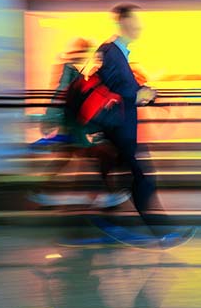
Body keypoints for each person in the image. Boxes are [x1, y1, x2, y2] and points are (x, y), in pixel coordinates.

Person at [30, 37, 129, 209]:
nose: (87, 54)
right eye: (84, 50)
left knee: (71, 156)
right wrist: (50, 119)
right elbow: (59, 95)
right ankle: (103, 194)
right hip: (74, 124)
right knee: (94, 154)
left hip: (76, 123)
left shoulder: (78, 72)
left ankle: (43, 191)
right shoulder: (69, 70)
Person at [95, 5, 159, 228]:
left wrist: (143, 91)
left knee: (128, 178)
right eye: (135, 21)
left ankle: (105, 219)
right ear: (122, 22)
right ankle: (161, 230)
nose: (139, 26)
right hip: (118, 127)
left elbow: (122, 85)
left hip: (122, 127)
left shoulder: (119, 52)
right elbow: (112, 87)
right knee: (141, 180)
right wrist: (137, 94)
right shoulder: (110, 51)